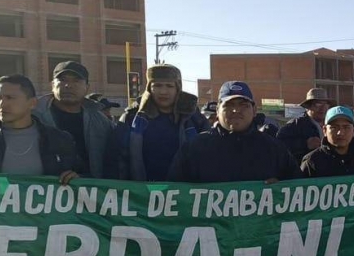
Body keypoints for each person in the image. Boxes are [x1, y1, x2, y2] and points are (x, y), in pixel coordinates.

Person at [0, 74, 77, 184]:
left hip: (45, 212)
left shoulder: (60, 139)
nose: (1, 104)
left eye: (10, 98)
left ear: (32, 103)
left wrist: (76, 178)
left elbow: (83, 180)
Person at [168, 81, 300, 185]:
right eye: (229, 105)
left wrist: (282, 188)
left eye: (243, 105)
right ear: (218, 110)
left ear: (254, 110)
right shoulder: (194, 149)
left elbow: (299, 189)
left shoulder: (274, 149)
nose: (236, 110)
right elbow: (175, 194)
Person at [121, 64, 209, 182]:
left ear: (178, 88)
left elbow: (208, 157)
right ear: (149, 88)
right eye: (157, 85)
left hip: (185, 194)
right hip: (143, 194)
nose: (163, 91)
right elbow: (119, 159)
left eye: (169, 86)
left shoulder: (195, 119)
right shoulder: (132, 118)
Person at [34, 61, 119, 179]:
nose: (68, 85)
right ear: (52, 85)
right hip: (44, 191)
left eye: (76, 81)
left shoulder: (100, 121)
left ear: (87, 87)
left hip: (90, 192)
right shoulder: (34, 117)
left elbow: (112, 161)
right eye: (62, 80)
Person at [301, 106, 354, 177]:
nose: (340, 133)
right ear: (324, 130)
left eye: (346, 127)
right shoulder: (312, 162)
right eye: (334, 127)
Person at [276, 88, 335, 162]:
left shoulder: (333, 125)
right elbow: (278, 146)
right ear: (308, 107)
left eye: (326, 104)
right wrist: (304, 144)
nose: (322, 108)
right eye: (318, 104)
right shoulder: (295, 125)